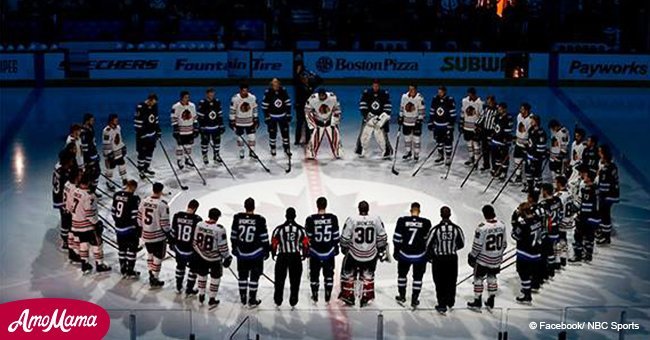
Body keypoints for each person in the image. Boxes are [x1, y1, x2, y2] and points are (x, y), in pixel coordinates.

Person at [339, 201, 388, 307]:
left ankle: (348, 295)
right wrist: (380, 249)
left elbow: (344, 238)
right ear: (368, 209)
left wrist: (344, 248)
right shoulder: (376, 219)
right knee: (368, 275)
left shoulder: (351, 219)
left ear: (358, 209)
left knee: (348, 273)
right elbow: (382, 236)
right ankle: (366, 296)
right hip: (370, 255)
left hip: (354, 254)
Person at [230, 198, 270, 308]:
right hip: (256, 254)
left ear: (244, 206)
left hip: (241, 253)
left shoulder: (237, 218)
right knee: (254, 276)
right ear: (254, 207)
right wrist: (267, 250)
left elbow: (233, 235)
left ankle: (243, 297)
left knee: (242, 275)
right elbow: (264, 238)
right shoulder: (260, 219)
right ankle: (252, 299)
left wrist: (234, 248)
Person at [467, 205, 506, 312]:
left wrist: (472, 256)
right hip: (496, 259)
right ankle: (491, 300)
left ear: (484, 214)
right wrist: (498, 254)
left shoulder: (482, 227)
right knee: (492, 277)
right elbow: (504, 243)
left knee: (478, 278)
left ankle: (477, 301)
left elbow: (477, 245)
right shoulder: (502, 225)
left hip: (483, 259)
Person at [393, 202, 432, 308]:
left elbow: (397, 238)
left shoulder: (402, 220)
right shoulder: (426, 222)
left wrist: (396, 251)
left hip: (404, 254)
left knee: (402, 276)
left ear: (411, 210)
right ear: (419, 211)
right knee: (418, 278)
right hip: (419, 256)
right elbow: (428, 240)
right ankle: (414, 299)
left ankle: (402, 296)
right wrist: (428, 254)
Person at [70, 173, 111, 274]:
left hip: (76, 224)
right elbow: (89, 214)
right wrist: (96, 223)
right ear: (88, 182)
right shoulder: (89, 196)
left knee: (83, 243)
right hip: (87, 225)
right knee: (97, 243)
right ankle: (100, 264)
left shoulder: (76, 191)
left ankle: (85, 264)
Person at [192, 208, 232, 309]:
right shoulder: (219, 229)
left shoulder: (199, 225)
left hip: (201, 257)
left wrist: (200, 253)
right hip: (215, 259)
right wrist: (227, 257)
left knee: (202, 274)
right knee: (215, 277)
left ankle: (201, 295)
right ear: (217, 217)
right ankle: (212, 299)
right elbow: (223, 247)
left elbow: (194, 242)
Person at [427, 206, 465, 314]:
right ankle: (450, 302)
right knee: (451, 280)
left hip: (439, 259)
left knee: (439, 281)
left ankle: (442, 304)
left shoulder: (436, 229)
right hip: (452, 258)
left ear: (440, 215)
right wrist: (452, 249)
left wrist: (433, 253)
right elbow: (461, 243)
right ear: (450, 215)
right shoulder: (457, 229)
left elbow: (428, 244)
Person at [304, 197, 340, 304]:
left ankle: (315, 295)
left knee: (314, 274)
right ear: (326, 205)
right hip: (329, 252)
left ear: (317, 205)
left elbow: (308, 236)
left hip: (315, 252)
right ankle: (327, 295)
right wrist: (335, 247)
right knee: (329, 274)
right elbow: (336, 236)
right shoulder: (333, 218)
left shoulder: (310, 219)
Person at [272, 207, 309, 308]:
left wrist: (273, 253)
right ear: (295, 216)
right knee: (295, 281)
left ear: (286, 216)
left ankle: (278, 300)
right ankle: (293, 300)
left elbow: (274, 243)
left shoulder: (279, 229)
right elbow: (305, 244)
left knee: (279, 280)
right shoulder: (301, 229)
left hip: (282, 256)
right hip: (295, 257)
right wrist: (304, 254)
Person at [511, 202, 545, 304]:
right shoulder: (538, 219)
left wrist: (514, 222)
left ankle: (527, 295)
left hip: (525, 254)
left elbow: (515, 236)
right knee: (531, 273)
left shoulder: (523, 225)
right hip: (537, 252)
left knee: (523, 273)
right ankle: (530, 287)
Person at [138, 182, 170, 288]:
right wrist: (168, 233)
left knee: (150, 254)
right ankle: (154, 278)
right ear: (161, 191)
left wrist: (142, 229)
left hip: (146, 234)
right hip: (158, 236)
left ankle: (151, 272)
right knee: (158, 257)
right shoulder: (162, 204)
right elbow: (165, 224)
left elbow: (139, 218)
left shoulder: (143, 201)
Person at [170, 199, 203, 295]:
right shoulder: (197, 219)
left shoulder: (177, 215)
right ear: (196, 208)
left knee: (180, 267)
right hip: (191, 251)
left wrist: (172, 244)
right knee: (193, 269)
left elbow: (173, 232)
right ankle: (189, 289)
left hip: (179, 249)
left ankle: (178, 287)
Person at [569, 166, 601, 263]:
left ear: (589, 178)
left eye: (586, 175)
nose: (584, 177)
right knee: (590, 236)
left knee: (578, 235)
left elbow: (585, 207)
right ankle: (588, 255)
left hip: (586, 218)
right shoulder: (596, 188)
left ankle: (578, 255)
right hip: (594, 218)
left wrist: (578, 214)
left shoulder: (587, 190)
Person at [111, 179, 141, 279]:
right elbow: (134, 216)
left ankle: (123, 269)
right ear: (133, 187)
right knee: (132, 249)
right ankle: (130, 270)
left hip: (118, 228)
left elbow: (113, 212)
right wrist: (138, 228)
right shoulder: (133, 198)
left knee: (122, 249)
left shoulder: (116, 195)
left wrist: (118, 222)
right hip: (129, 229)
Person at [356, 79, 393, 159]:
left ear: (379, 86)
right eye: (374, 85)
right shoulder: (366, 93)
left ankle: (387, 152)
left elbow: (388, 106)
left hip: (380, 119)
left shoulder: (384, 93)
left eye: (377, 85)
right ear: (372, 85)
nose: (375, 87)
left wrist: (382, 117)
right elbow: (363, 105)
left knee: (381, 136)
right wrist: (367, 115)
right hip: (370, 118)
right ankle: (361, 150)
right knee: (364, 134)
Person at [305, 88, 343, 160]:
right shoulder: (312, 99)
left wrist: (334, 122)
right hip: (318, 121)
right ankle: (311, 153)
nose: (321, 97)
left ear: (325, 94)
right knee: (315, 137)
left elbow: (337, 110)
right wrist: (312, 125)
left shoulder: (332, 97)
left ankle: (338, 152)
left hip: (329, 121)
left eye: (322, 96)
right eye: (320, 96)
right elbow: (307, 112)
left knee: (335, 136)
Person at [293, 62, 322, 145]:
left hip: (309, 107)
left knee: (308, 124)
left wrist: (311, 73)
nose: (305, 79)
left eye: (306, 77)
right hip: (299, 107)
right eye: (303, 78)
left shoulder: (312, 85)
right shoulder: (299, 86)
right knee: (299, 123)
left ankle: (307, 140)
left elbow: (320, 80)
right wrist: (298, 73)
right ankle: (297, 141)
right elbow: (295, 80)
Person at [262, 78, 292, 157]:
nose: (276, 84)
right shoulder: (268, 92)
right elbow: (264, 106)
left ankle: (286, 148)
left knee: (285, 133)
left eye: (277, 82)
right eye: (274, 82)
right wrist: (266, 117)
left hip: (282, 116)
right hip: (272, 117)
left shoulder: (283, 90)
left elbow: (288, 103)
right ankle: (273, 148)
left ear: (279, 83)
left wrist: (288, 114)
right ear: (271, 84)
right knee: (272, 133)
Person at [596, 145, 619, 245]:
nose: (598, 153)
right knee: (604, 213)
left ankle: (606, 236)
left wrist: (599, 194)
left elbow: (604, 185)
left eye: (600, 151)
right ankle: (604, 233)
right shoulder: (611, 165)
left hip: (607, 195)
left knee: (605, 214)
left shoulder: (607, 168)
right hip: (610, 194)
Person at [538, 183, 563, 279]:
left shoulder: (543, 205)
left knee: (546, 251)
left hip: (548, 230)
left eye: (542, 190)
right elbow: (561, 213)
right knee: (552, 249)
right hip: (556, 228)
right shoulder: (558, 200)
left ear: (545, 191)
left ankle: (547, 270)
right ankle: (553, 267)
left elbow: (542, 220)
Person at [428, 86, 456, 165]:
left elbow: (453, 113)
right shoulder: (435, 99)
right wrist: (431, 122)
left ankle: (448, 157)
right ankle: (440, 156)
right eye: (438, 92)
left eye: (441, 92)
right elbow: (432, 111)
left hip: (446, 125)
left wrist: (451, 124)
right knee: (438, 141)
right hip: (437, 125)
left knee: (448, 142)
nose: (439, 93)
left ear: (444, 92)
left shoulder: (449, 100)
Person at [229, 83, 259, 159]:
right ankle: (241, 150)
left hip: (250, 121)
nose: (244, 92)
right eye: (243, 90)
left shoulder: (252, 97)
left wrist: (256, 118)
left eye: (246, 90)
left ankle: (252, 151)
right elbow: (232, 110)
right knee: (240, 138)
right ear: (240, 90)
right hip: (239, 122)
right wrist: (232, 121)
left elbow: (255, 108)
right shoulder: (235, 98)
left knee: (252, 137)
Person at [134, 93, 161, 176]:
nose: (154, 103)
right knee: (142, 153)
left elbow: (156, 120)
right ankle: (141, 170)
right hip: (142, 136)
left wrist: (158, 132)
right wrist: (141, 134)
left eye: (155, 102)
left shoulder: (154, 106)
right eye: (153, 102)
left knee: (150, 152)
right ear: (149, 100)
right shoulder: (141, 107)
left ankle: (146, 168)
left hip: (152, 135)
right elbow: (137, 122)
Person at [52, 151, 74, 251]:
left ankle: (66, 237)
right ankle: (66, 240)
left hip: (57, 196)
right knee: (66, 219)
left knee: (65, 218)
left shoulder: (58, 166)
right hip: (62, 198)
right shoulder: (64, 173)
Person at [398, 84, 426, 161]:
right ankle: (408, 152)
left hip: (415, 122)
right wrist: (400, 117)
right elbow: (402, 107)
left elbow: (422, 110)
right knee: (407, 138)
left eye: (412, 89)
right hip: (406, 122)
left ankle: (416, 154)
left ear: (415, 90)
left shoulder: (419, 98)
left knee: (416, 139)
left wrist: (420, 119)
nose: (410, 91)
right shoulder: (404, 97)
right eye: (409, 89)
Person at [171, 90, 198, 169]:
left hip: (190, 129)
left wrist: (196, 127)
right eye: (186, 97)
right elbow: (173, 118)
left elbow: (194, 117)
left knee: (189, 145)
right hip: (181, 130)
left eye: (188, 97)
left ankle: (187, 159)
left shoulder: (192, 106)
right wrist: (175, 130)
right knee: (180, 146)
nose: (187, 99)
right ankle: (179, 160)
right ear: (182, 98)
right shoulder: (176, 106)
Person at [197, 88, 225, 165]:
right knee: (205, 142)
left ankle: (216, 155)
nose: (211, 96)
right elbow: (200, 116)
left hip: (215, 126)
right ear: (207, 94)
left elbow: (220, 114)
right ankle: (205, 155)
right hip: (206, 127)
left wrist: (221, 125)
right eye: (210, 94)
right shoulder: (202, 103)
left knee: (217, 141)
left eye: (213, 94)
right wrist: (201, 126)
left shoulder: (217, 102)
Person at [102, 114, 128, 189]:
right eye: (115, 120)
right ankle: (109, 182)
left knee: (122, 165)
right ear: (111, 121)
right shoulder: (107, 131)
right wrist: (109, 154)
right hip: (111, 154)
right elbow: (106, 144)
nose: (117, 121)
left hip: (118, 152)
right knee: (110, 169)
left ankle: (124, 180)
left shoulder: (118, 128)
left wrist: (123, 147)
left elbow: (119, 139)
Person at [554, 176, 575, 268]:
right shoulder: (570, 194)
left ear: (559, 183)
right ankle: (563, 258)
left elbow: (557, 210)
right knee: (563, 238)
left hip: (561, 221)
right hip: (569, 220)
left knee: (557, 240)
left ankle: (557, 261)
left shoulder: (558, 196)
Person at [524, 115, 547, 195]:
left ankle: (538, 185)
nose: (531, 122)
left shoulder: (541, 133)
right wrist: (526, 150)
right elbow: (529, 141)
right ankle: (530, 186)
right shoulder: (531, 130)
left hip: (537, 157)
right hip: (529, 155)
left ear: (536, 122)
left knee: (536, 172)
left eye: (532, 121)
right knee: (528, 171)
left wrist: (537, 156)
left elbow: (541, 146)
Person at [460, 88, 484, 166]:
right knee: (469, 144)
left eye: (471, 94)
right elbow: (463, 112)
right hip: (466, 127)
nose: (470, 96)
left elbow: (482, 115)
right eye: (469, 94)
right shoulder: (464, 101)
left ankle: (476, 161)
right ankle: (471, 158)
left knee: (476, 145)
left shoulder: (479, 103)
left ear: (474, 94)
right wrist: (461, 123)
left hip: (475, 128)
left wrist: (479, 126)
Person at [490, 102, 513, 181]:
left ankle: (504, 172)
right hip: (495, 140)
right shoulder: (497, 116)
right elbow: (494, 126)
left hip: (503, 142)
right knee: (497, 157)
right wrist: (492, 135)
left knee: (504, 158)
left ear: (504, 109)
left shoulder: (508, 117)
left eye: (500, 108)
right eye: (498, 108)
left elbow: (508, 130)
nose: (499, 109)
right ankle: (497, 170)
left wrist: (506, 139)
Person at [63, 167, 82, 264]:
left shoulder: (67, 184)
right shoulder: (75, 189)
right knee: (76, 235)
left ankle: (71, 253)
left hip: (66, 211)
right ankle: (75, 253)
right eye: (79, 175)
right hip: (72, 214)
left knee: (70, 234)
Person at [477, 95, 498, 171]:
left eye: (489, 102)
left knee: (493, 151)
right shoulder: (486, 108)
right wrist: (477, 125)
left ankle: (494, 167)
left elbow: (497, 122)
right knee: (484, 149)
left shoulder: (497, 110)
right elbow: (482, 117)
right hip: (485, 131)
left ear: (493, 101)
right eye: (487, 102)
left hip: (492, 132)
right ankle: (486, 164)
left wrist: (494, 132)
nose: (488, 103)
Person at [513, 103, 533, 184]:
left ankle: (527, 181)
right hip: (518, 142)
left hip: (526, 145)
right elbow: (518, 128)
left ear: (526, 110)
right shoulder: (519, 116)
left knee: (527, 163)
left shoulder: (531, 119)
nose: (520, 110)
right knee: (517, 159)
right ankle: (518, 176)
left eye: (522, 109)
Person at [80, 113, 100, 191]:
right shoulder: (84, 131)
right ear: (87, 121)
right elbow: (85, 147)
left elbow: (92, 144)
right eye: (92, 120)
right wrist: (88, 160)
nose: (93, 121)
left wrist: (96, 155)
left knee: (96, 172)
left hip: (93, 154)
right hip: (89, 157)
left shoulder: (90, 128)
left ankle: (92, 190)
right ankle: (88, 191)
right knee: (90, 173)